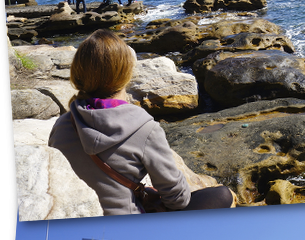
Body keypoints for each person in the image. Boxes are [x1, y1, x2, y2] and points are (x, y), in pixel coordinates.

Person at [48, 29, 234, 214]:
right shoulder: (143, 128)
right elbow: (178, 200)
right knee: (224, 195)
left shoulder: (63, 124)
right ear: (126, 74)